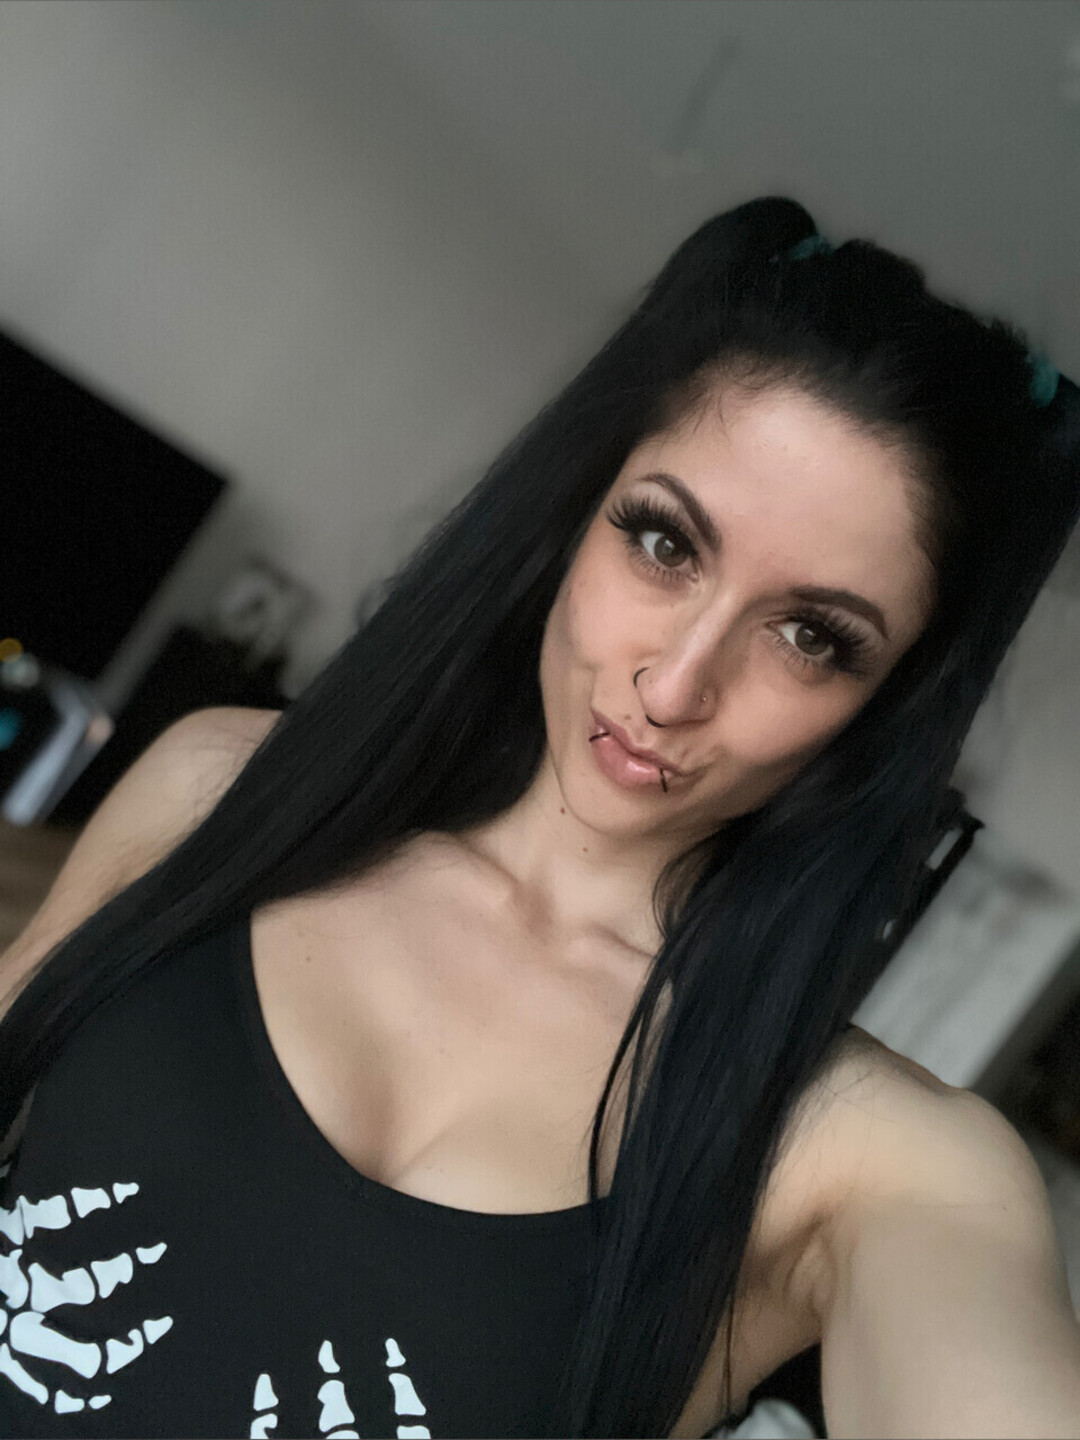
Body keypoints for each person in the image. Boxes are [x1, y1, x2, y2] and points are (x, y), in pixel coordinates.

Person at [1, 195, 1079, 1440]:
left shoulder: (858, 1159)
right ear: (577, 512)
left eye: (810, 637)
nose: (674, 687)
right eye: (664, 544)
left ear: (885, 707)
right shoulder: (218, 793)